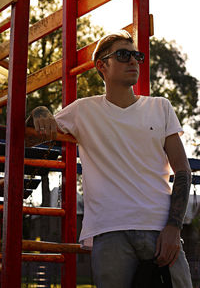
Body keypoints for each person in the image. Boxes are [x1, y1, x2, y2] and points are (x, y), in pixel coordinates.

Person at [26, 30, 192, 288]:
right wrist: (39, 111)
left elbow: (182, 171)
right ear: (101, 65)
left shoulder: (161, 107)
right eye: (123, 55)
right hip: (108, 232)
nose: (133, 61)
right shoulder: (82, 110)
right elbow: (28, 138)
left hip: (160, 229)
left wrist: (174, 228)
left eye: (136, 55)